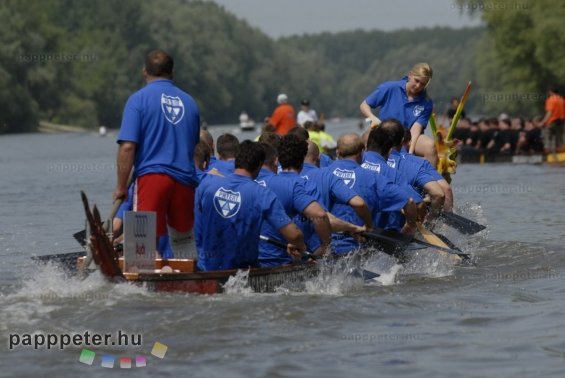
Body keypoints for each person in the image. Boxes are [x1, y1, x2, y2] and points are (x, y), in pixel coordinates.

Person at [113, 49, 200, 259]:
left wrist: (121, 186)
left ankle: (142, 282)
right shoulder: (190, 102)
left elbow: (127, 147)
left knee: (141, 249)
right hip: (185, 180)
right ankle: (188, 280)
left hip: (152, 178)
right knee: (183, 243)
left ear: (144, 72)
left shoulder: (137, 100)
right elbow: (194, 144)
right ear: (173, 72)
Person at [195, 140, 306, 271]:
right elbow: (294, 235)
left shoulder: (206, 185)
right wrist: (300, 246)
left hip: (205, 269)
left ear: (236, 160)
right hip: (241, 276)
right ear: (259, 165)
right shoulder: (262, 194)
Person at [328, 133, 420, 254]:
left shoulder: (321, 173)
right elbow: (410, 202)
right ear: (362, 152)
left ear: (337, 152)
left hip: (325, 250)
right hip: (358, 249)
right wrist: (410, 224)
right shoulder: (374, 178)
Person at [257, 135, 332, 267]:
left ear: (278, 159)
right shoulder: (300, 184)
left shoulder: (258, 183)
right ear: (303, 160)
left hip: (255, 259)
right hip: (284, 260)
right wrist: (326, 246)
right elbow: (320, 216)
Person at [359, 63, 437, 166]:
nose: (418, 86)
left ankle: (429, 177)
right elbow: (364, 105)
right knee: (365, 137)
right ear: (410, 75)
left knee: (430, 146)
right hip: (384, 132)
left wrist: (410, 153)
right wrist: (372, 117)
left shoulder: (427, 103)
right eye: (417, 81)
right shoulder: (389, 87)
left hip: (407, 137)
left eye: (422, 84)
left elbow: (416, 129)